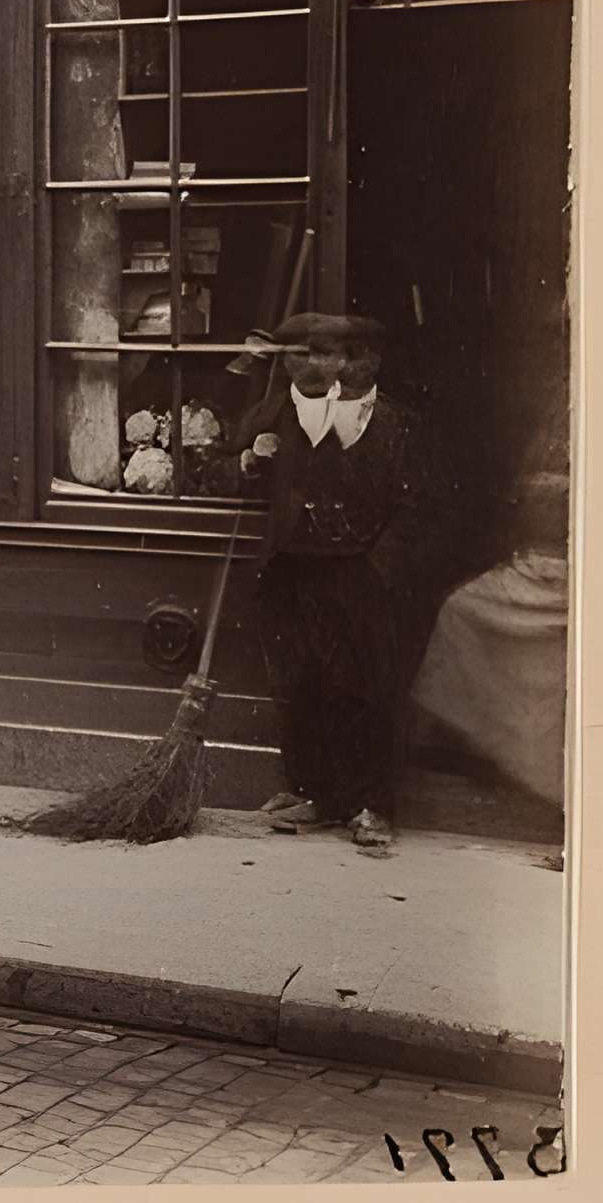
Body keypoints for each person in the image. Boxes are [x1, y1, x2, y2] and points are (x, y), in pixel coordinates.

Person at [221, 313, 431, 857]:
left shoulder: (394, 423)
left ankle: (369, 804)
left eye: (326, 354)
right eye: (297, 354)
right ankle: (312, 792)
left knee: (362, 687)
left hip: (358, 575)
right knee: (299, 684)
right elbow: (226, 468)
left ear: (358, 361)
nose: (311, 365)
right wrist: (249, 459)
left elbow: (415, 509)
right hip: (292, 570)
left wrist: (377, 569)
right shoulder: (273, 412)